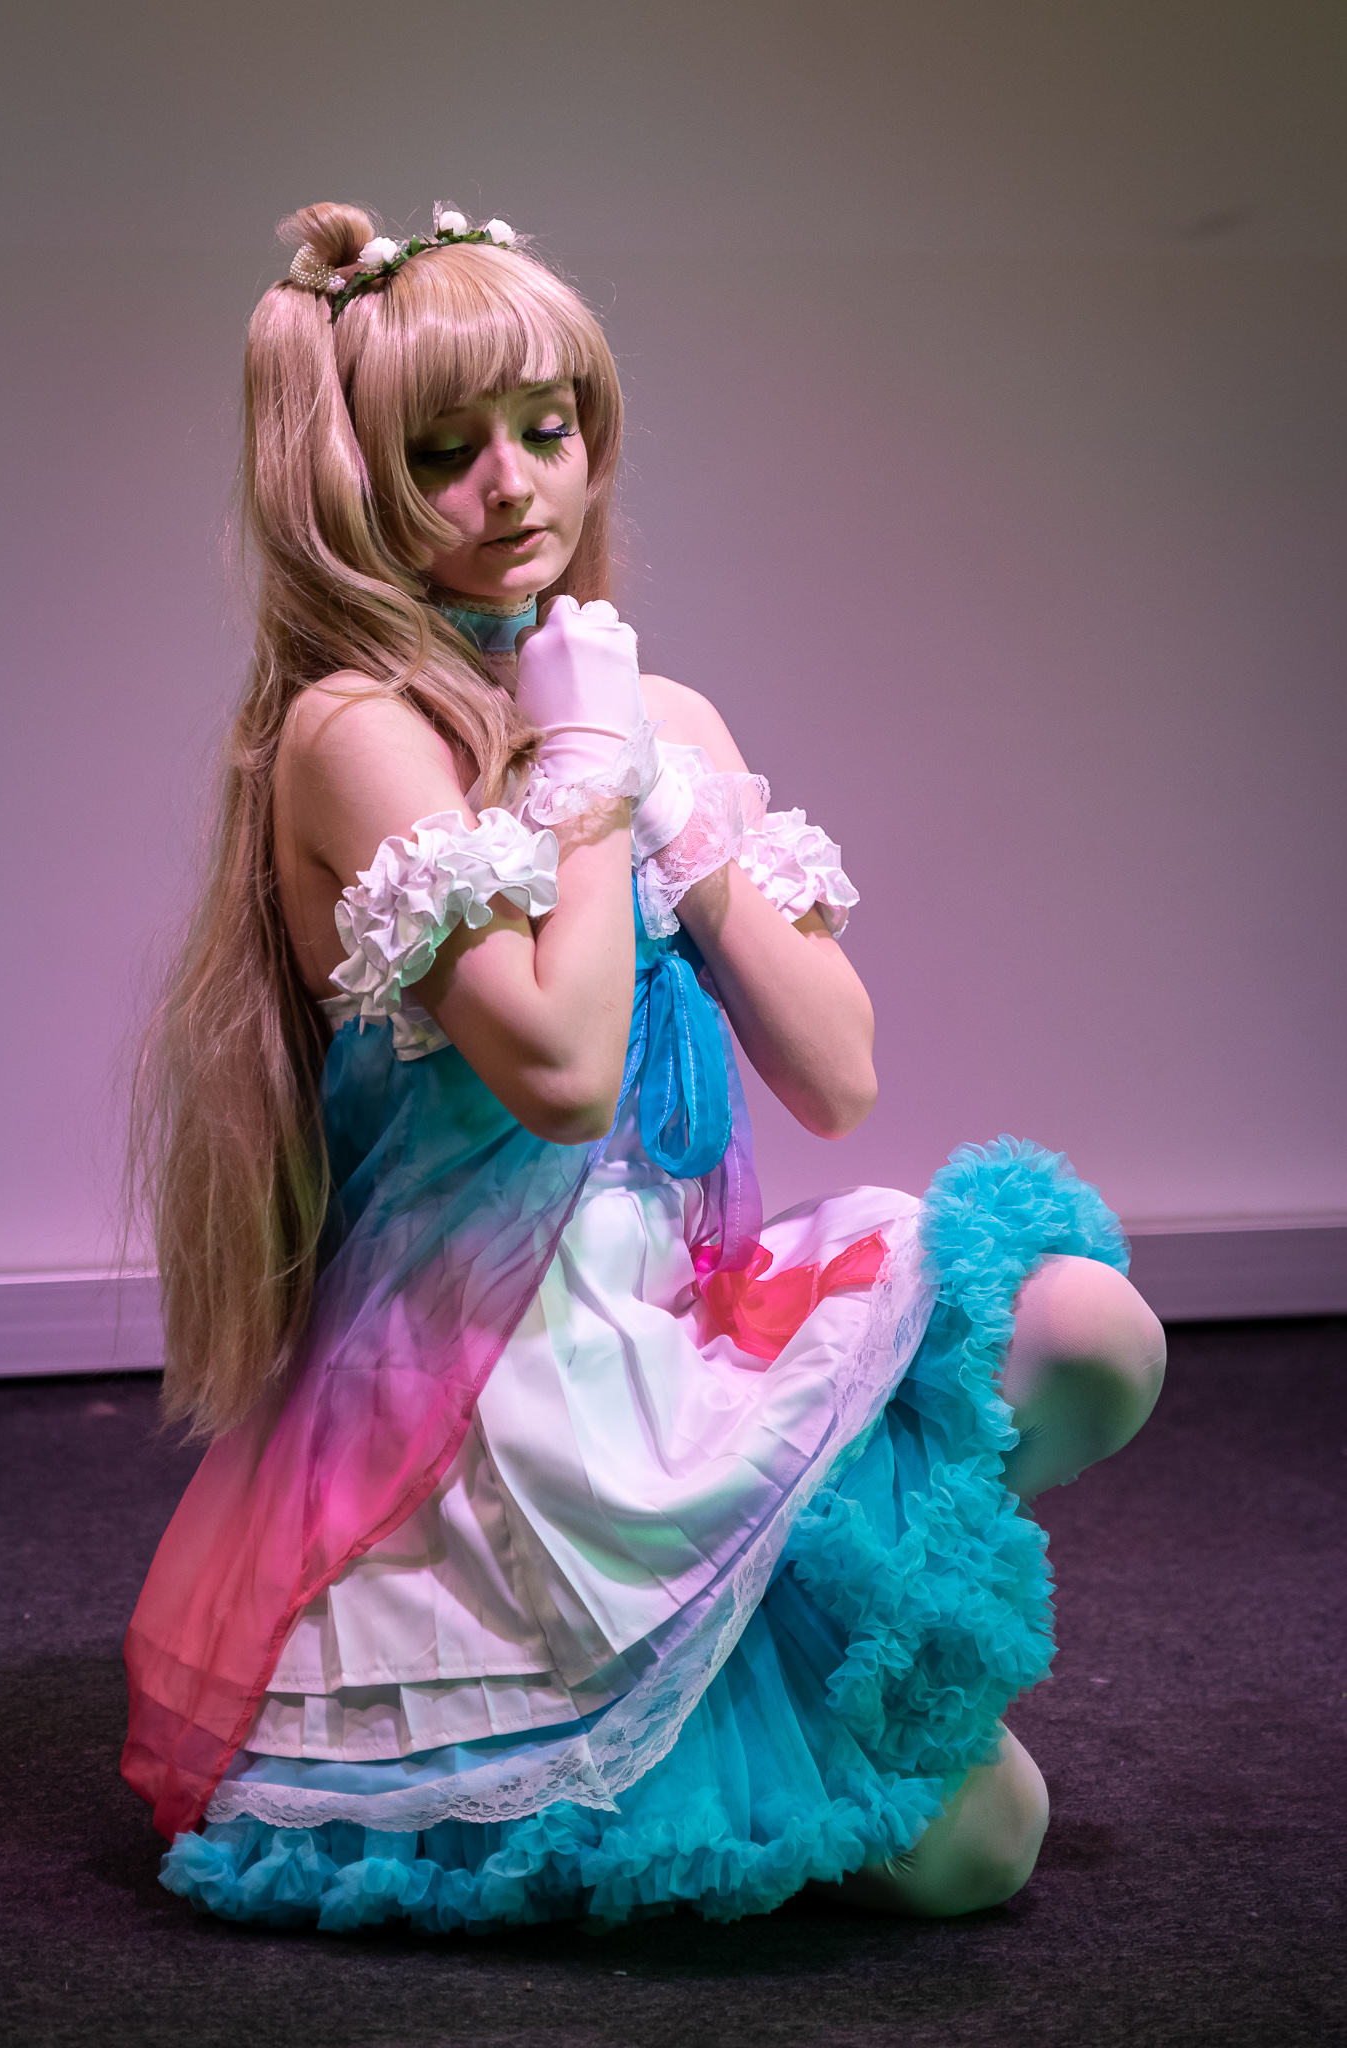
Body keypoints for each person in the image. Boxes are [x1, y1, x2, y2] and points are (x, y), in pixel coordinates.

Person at [124, 199, 1166, 1934]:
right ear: (357, 480)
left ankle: (798, 1638)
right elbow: (561, 1072)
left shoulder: (656, 714)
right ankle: (689, 1695)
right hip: (492, 1403)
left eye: (548, 428)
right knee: (984, 1846)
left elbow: (834, 1074)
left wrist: (656, 780)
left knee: (1091, 1331)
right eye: (447, 452)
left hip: (677, 1324)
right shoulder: (354, 734)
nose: (514, 486)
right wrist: (585, 768)